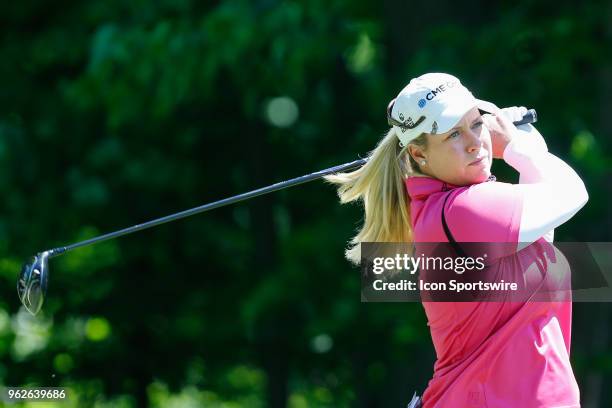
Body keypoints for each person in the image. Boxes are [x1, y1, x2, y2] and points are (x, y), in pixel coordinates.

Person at [326, 73, 588, 407]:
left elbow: (543, 232)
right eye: (453, 133)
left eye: (476, 124)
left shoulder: (452, 210)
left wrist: (524, 142)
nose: (474, 142)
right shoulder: (462, 212)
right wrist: (516, 146)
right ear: (420, 155)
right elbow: (571, 193)